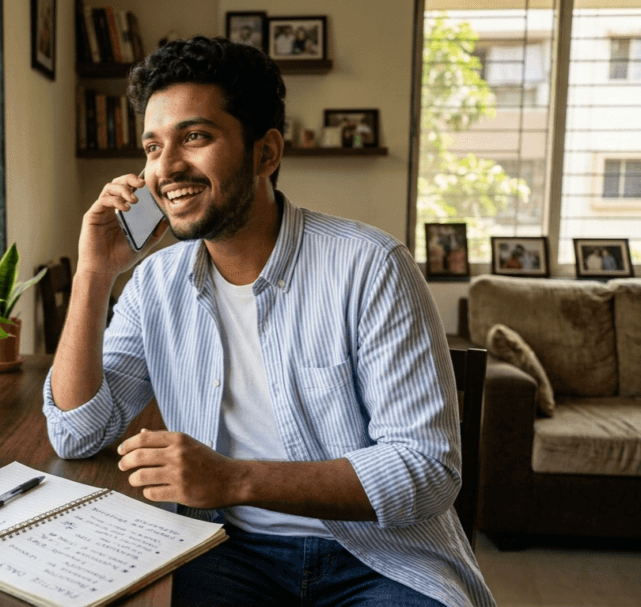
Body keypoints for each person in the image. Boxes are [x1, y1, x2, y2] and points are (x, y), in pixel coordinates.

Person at [43, 36, 494, 607]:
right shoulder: (154, 285)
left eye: (196, 137)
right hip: (222, 552)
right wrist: (93, 275)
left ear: (266, 153)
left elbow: (426, 468)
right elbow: (76, 432)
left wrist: (232, 479)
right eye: (153, 147)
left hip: (378, 560)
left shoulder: (371, 266)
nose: (167, 167)